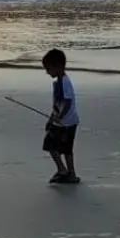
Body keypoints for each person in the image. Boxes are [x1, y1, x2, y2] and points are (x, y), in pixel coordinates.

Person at [42, 48, 80, 184]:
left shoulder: (64, 82)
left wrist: (59, 117)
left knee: (52, 145)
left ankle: (64, 170)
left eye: (48, 68)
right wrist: (51, 118)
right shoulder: (59, 81)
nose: (47, 72)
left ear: (57, 67)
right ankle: (69, 173)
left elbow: (67, 102)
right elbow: (57, 104)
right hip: (65, 121)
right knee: (65, 148)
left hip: (65, 122)